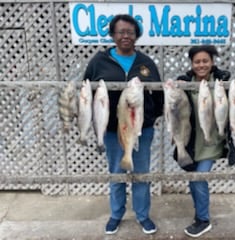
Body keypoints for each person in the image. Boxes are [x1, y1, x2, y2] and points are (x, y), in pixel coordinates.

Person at [83, 14, 164, 235]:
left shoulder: (146, 63)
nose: (126, 36)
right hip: (111, 131)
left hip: (141, 130)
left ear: (136, 35)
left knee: (142, 174)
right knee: (116, 172)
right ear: (112, 35)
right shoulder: (98, 62)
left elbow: (159, 96)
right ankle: (116, 215)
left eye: (130, 32)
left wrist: (148, 119)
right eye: (121, 32)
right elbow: (86, 92)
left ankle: (142, 215)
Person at [176, 45, 235, 238]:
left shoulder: (223, 81)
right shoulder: (185, 81)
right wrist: (174, 87)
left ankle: (203, 220)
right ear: (191, 64)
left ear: (212, 62)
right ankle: (199, 214)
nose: (201, 65)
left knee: (200, 177)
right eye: (197, 61)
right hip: (191, 141)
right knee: (194, 178)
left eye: (205, 60)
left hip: (212, 141)